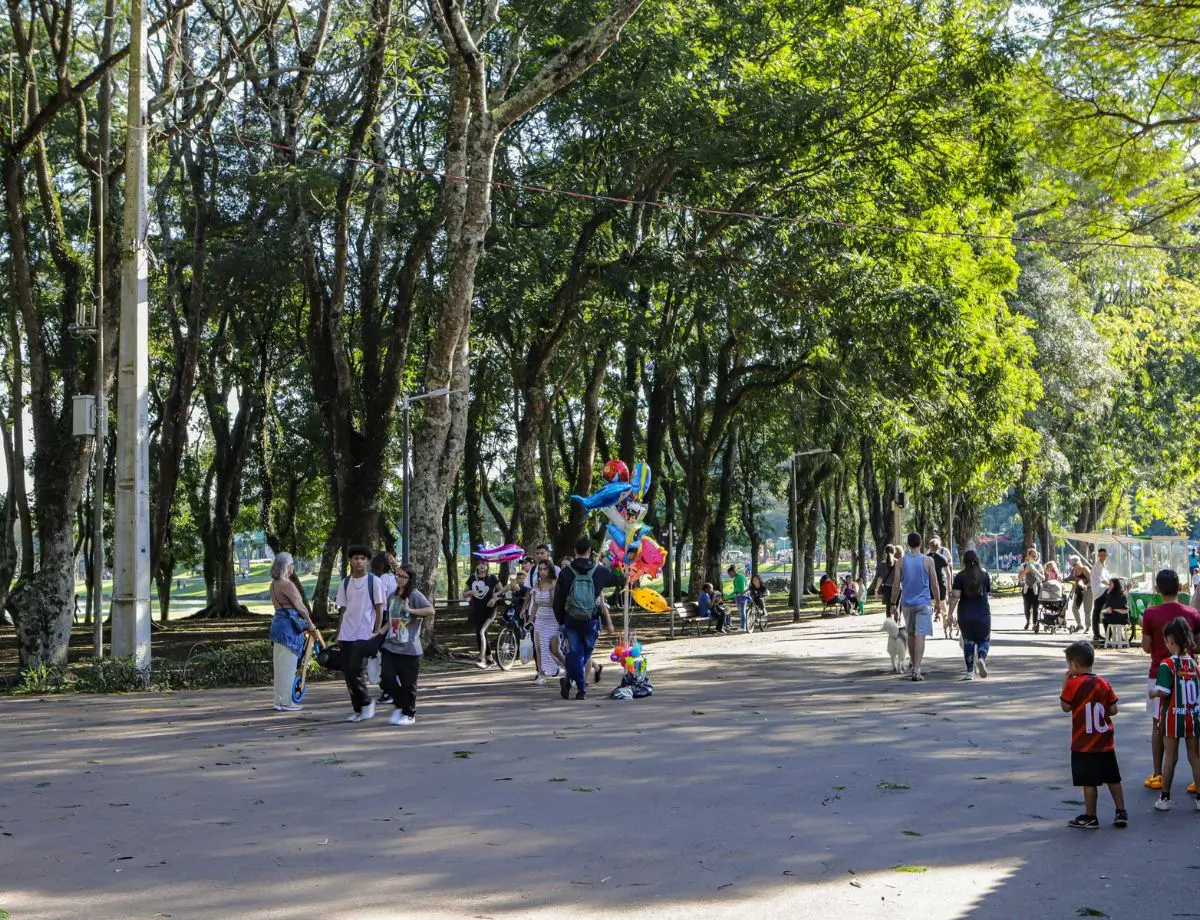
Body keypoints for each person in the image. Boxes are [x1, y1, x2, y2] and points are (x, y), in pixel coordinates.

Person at [1138, 569, 1200, 791]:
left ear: (1157, 589)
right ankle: (1197, 780)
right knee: (1192, 726)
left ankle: (1158, 774)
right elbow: (1197, 645)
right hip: (1187, 674)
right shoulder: (1192, 613)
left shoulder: (1150, 614)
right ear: (1180, 587)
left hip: (1159, 673)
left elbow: (1146, 647)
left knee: (1159, 724)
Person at [1060, 640, 1127, 829]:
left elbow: (1065, 707)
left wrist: (1064, 684)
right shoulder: (1103, 683)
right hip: (1104, 742)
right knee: (1113, 778)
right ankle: (1121, 811)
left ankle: (1091, 816)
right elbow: (1113, 710)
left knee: (1089, 782)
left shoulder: (1074, 684)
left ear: (1073, 664)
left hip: (1084, 743)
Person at [552, 537, 614, 700]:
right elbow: (617, 579)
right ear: (589, 552)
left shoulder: (566, 572)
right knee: (585, 654)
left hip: (571, 619)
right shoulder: (599, 571)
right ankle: (578, 687)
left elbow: (558, 600)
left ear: (575, 551)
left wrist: (561, 620)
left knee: (574, 653)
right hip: (591, 620)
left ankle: (575, 685)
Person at [1148, 617, 1200, 810]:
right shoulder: (1194, 665)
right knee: (1195, 756)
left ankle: (1165, 798)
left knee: (1171, 756)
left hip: (1172, 717)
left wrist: (1153, 692)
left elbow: (1163, 691)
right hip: (1192, 715)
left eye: (1166, 641)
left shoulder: (1167, 664)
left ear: (1172, 641)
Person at [335, 545, 386, 723]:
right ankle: (358, 709)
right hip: (346, 634)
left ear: (367, 561)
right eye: (356, 558)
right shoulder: (345, 583)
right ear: (350, 561)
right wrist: (338, 633)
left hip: (364, 634)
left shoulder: (374, 582)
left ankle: (366, 702)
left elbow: (379, 609)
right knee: (348, 674)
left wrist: (376, 631)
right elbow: (343, 610)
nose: (359, 561)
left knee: (355, 670)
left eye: (362, 558)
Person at [379, 563, 432, 726]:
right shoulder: (392, 596)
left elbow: (430, 610)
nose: (400, 579)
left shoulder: (415, 595)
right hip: (390, 645)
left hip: (409, 648)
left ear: (410, 579)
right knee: (386, 679)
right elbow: (391, 620)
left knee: (408, 684)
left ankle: (409, 714)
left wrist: (410, 610)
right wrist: (379, 632)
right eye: (398, 575)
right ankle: (400, 705)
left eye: (404, 577)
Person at [268, 552, 316, 712]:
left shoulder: (274, 584)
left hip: (277, 625)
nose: (293, 567)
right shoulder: (287, 584)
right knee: (288, 667)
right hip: (289, 627)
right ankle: (287, 702)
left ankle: (278, 700)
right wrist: (310, 624)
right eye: (292, 564)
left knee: (279, 667)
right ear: (287, 567)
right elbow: (300, 606)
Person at [891, 532, 941, 682]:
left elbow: (896, 585)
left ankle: (914, 665)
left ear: (907, 544)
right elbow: (934, 584)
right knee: (920, 635)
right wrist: (938, 602)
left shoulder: (900, 562)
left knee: (911, 635)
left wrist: (893, 604)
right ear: (921, 544)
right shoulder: (928, 561)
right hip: (923, 603)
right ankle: (917, 669)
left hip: (907, 604)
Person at [947, 550, 991, 681]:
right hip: (982, 613)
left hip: (965, 613)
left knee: (968, 641)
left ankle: (970, 672)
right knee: (984, 640)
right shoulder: (984, 575)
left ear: (964, 561)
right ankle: (981, 658)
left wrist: (950, 614)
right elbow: (987, 592)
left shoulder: (960, 576)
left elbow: (955, 596)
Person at [370, 552, 399, 702]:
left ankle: (389, 690)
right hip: (396, 617)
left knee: (382, 654)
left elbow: (379, 603)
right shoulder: (396, 578)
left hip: (384, 617)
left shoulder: (381, 580)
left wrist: (376, 627)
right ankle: (393, 688)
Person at [464, 558, 501, 669]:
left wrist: (494, 599)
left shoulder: (492, 578)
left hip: (490, 609)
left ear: (487, 566)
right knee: (480, 633)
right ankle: (490, 659)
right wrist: (468, 592)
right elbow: (464, 593)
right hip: (477, 609)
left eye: (484, 564)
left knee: (482, 631)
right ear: (477, 566)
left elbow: (501, 591)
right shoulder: (472, 578)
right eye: (480, 564)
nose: (482, 566)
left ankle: (481, 659)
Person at [529, 560, 560, 686]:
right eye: (540, 569)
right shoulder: (537, 584)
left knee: (554, 650)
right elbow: (535, 604)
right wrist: (530, 620)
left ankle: (568, 668)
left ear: (550, 570)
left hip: (552, 618)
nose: (542, 572)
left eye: (545, 569)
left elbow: (554, 604)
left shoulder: (555, 583)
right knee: (539, 647)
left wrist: (552, 591)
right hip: (540, 618)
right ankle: (541, 674)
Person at [1018, 548, 1045, 630]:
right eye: (1033, 556)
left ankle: (1034, 624)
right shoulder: (1023, 565)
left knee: (1036, 607)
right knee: (1027, 607)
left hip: (1036, 587)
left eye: (1036, 556)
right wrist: (1025, 571)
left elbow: (1043, 578)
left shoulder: (1039, 566)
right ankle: (1028, 621)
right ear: (1028, 556)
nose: (1035, 557)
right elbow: (1019, 577)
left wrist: (1036, 571)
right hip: (1027, 588)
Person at [1089, 548, 1112, 642]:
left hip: (1102, 590)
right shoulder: (1098, 566)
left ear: (1106, 556)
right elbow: (1102, 579)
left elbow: (1108, 578)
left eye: (1104, 555)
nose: (1102, 557)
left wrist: (1112, 583)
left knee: (1099, 611)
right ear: (1098, 556)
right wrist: (1110, 585)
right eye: (1101, 555)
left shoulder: (1104, 565)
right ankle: (1097, 634)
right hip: (1100, 591)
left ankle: (1100, 634)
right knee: (1099, 611)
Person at [927, 537, 950, 624]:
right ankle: (946, 621)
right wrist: (949, 584)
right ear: (938, 547)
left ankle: (933, 618)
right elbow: (948, 573)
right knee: (942, 604)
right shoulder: (942, 558)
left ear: (930, 547)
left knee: (931, 603)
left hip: (929, 584)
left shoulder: (925, 558)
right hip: (941, 583)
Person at [1068, 555, 1092, 633]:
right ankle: (1079, 625)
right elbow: (1076, 582)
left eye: (1074, 564)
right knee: (1074, 608)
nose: (1074, 566)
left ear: (1078, 562)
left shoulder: (1085, 569)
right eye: (1072, 565)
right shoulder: (1075, 571)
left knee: (1087, 609)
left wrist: (1086, 586)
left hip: (1088, 590)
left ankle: (1088, 627)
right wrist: (1072, 593)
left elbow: (1092, 580)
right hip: (1079, 590)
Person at [875, 545, 898, 619]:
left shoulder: (881, 564)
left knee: (888, 607)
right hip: (897, 587)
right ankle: (897, 622)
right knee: (897, 606)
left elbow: (880, 578)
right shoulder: (898, 562)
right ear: (894, 552)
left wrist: (876, 590)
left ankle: (889, 623)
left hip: (887, 588)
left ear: (885, 552)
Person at [729, 565, 749, 631]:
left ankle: (743, 627)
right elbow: (735, 590)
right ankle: (742, 626)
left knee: (742, 612)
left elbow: (742, 589)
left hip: (741, 596)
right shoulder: (736, 578)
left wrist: (741, 598)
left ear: (732, 572)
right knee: (740, 612)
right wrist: (727, 596)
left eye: (729, 574)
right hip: (737, 596)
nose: (729, 575)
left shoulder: (740, 576)